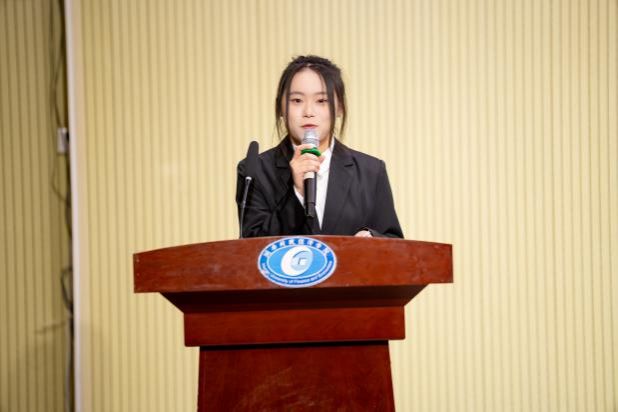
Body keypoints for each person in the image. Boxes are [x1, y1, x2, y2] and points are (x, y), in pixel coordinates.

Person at [236, 55, 403, 238]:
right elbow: (252, 245)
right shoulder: (254, 171)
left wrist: (372, 239)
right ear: (280, 108)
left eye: (321, 101)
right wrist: (297, 194)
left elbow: (394, 241)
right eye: (297, 100)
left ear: (339, 107)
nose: (309, 112)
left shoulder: (371, 171)